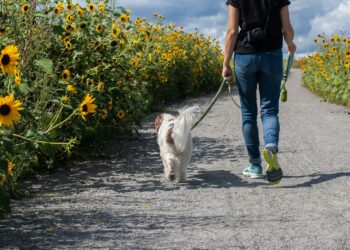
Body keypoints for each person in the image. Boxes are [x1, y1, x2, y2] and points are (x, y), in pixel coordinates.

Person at [222, 0, 297, 182]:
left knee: (248, 113)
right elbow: (287, 27)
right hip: (272, 54)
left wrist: (225, 63)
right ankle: (270, 145)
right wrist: (290, 43)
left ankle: (255, 165)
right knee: (269, 109)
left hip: (245, 56)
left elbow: (232, 31)